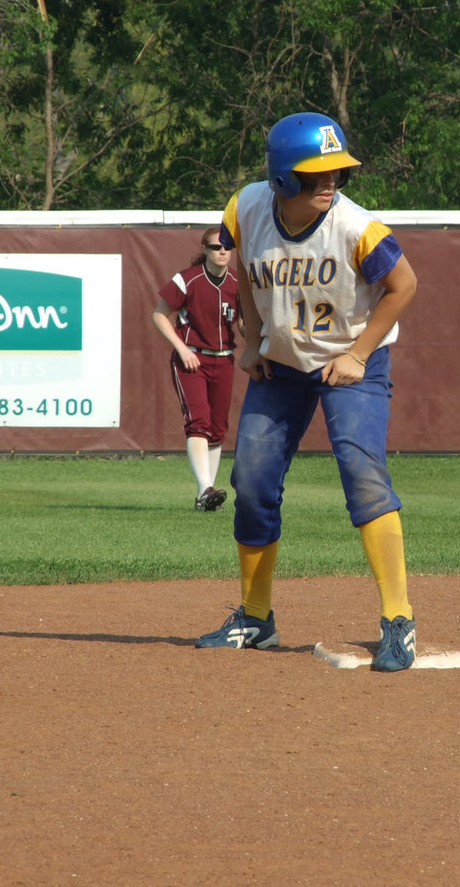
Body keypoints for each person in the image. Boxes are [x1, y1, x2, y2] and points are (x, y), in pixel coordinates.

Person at [195, 111, 419, 672]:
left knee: (361, 471)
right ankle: (255, 618)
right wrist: (250, 335)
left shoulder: (356, 227)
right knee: (251, 478)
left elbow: (403, 284)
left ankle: (399, 620)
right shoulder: (245, 207)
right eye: (317, 172)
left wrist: (359, 354)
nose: (331, 181)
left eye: (338, 171)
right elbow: (244, 263)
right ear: (282, 179)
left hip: (352, 360)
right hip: (282, 362)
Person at [152, 227, 242, 511]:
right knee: (198, 422)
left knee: (217, 429)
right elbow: (159, 315)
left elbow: (242, 324)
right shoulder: (187, 279)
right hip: (192, 358)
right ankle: (205, 488)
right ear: (204, 249)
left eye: (227, 246)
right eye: (215, 247)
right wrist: (181, 348)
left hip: (224, 359)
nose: (222, 251)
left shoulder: (238, 283)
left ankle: (207, 496)